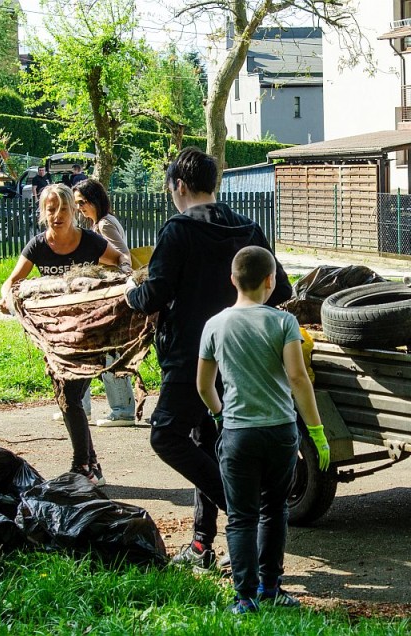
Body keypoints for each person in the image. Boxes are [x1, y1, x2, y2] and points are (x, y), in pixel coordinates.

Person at [125, 147, 292, 570]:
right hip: (243, 358)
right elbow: (284, 289)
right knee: (207, 440)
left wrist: (129, 292)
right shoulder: (249, 227)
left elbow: (154, 296)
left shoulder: (177, 230)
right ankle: (202, 544)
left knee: (166, 435)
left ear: (179, 186)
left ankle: (238, 506)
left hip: (191, 355)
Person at [197, 245, 329, 614]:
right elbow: (298, 379)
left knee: (241, 517)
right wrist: (316, 432)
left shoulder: (215, 324)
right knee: (275, 511)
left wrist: (220, 414)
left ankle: (245, 598)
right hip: (281, 433)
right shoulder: (283, 322)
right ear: (270, 281)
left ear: (233, 280)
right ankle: (272, 587)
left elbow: (204, 386)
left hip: (239, 434)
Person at [0, 183, 129, 485]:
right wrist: (7, 299)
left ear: (74, 211)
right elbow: (10, 282)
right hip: (55, 336)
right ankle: (91, 465)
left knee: (70, 395)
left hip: (88, 334)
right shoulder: (38, 246)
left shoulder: (91, 241)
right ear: (43, 213)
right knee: (66, 398)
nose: (57, 215)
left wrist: (121, 280)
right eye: (50, 209)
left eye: (63, 208)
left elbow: (121, 259)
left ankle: (80, 465)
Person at [48, 177, 135, 427]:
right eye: (76, 204)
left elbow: (123, 258)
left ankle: (122, 411)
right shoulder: (101, 223)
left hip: (106, 297)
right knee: (83, 349)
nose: (79, 209)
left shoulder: (104, 225)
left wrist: (93, 270)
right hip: (98, 297)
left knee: (106, 352)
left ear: (95, 200)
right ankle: (79, 407)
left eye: (82, 202)